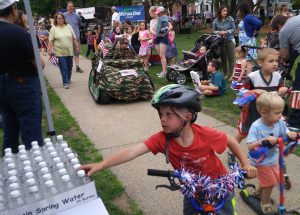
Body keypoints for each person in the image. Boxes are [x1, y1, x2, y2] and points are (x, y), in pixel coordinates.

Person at [80, 84, 257, 215]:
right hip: (192, 189)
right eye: (161, 114)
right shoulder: (162, 139)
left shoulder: (206, 134)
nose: (163, 119)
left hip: (219, 187)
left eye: (169, 114)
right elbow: (132, 151)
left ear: (187, 117)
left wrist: (245, 164)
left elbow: (230, 141)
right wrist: (101, 165)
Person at [0, 0, 44, 153]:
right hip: (23, 86)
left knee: (9, 131)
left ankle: (10, 169)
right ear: (13, 10)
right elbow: (39, 64)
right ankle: (35, 168)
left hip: (2, 87)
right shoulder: (18, 32)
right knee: (31, 134)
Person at [247, 92, 297, 214]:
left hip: (274, 157)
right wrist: (263, 141)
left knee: (273, 178)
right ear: (263, 112)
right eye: (277, 113)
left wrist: (290, 134)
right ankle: (264, 202)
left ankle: (259, 193)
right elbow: (250, 146)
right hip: (261, 160)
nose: (281, 116)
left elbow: (285, 133)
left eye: (281, 112)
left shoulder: (279, 122)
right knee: (270, 182)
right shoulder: (256, 127)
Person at [235, 48, 289, 143]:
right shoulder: (252, 77)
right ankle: (232, 151)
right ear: (260, 62)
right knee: (243, 133)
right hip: (252, 111)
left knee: (264, 132)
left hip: (268, 112)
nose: (275, 64)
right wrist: (255, 91)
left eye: (277, 61)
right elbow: (241, 91)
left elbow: (279, 93)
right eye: (271, 61)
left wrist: (282, 91)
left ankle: (262, 155)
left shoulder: (278, 77)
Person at [48, 13, 79, 89]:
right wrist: (49, 49)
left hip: (69, 51)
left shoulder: (68, 27)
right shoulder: (53, 29)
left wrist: (76, 46)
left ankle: (68, 79)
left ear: (64, 19)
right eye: (59, 18)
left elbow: (74, 38)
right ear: (56, 20)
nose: (61, 20)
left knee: (69, 67)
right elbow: (51, 40)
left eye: (62, 18)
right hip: (59, 52)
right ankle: (65, 82)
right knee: (63, 68)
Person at [279, 15, 300, 129]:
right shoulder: (296, 19)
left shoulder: (283, 31)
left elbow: (285, 55)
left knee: (298, 89)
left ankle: (295, 123)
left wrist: (283, 57)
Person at [238, 1, 262, 74]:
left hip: (249, 41)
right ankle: (246, 77)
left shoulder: (248, 17)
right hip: (244, 42)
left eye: (239, 9)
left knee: (249, 62)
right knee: (246, 60)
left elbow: (259, 23)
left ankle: (249, 80)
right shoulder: (245, 17)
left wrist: (255, 31)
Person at [212, 5, 236, 78]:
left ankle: (232, 74)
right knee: (223, 58)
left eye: (226, 10)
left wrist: (227, 31)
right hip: (221, 42)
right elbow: (213, 31)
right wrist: (219, 32)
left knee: (231, 58)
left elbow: (233, 28)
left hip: (229, 40)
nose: (225, 12)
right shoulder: (216, 20)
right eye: (224, 11)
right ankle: (225, 74)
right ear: (220, 11)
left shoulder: (230, 19)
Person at [63, 1, 83, 73]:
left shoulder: (77, 16)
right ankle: (69, 66)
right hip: (67, 38)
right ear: (67, 7)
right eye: (69, 6)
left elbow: (79, 24)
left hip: (76, 38)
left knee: (76, 53)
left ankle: (77, 67)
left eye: (72, 6)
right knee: (68, 53)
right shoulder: (64, 15)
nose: (71, 8)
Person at [154, 6, 170, 78]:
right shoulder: (163, 18)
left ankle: (164, 71)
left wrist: (163, 33)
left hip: (162, 37)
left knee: (162, 55)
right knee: (161, 55)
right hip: (158, 38)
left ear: (162, 12)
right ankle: (163, 70)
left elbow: (169, 27)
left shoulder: (163, 18)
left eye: (158, 13)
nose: (157, 14)